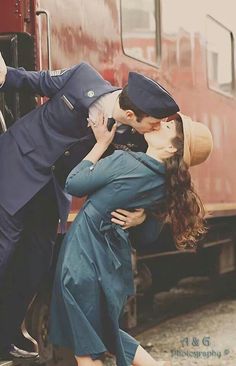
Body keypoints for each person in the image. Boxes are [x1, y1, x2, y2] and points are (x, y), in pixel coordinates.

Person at [0, 53, 180, 360]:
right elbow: (37, 81)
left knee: (37, 261)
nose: (154, 127)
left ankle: (4, 335)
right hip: (18, 164)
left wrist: (144, 215)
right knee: (6, 247)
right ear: (134, 113)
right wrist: (5, 75)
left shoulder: (133, 138)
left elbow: (151, 178)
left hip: (52, 188)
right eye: (152, 121)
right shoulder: (82, 77)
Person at [49, 112, 213, 366]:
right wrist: (144, 217)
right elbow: (146, 237)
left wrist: (101, 144)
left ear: (171, 147)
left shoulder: (126, 162)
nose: (164, 122)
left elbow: (73, 183)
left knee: (87, 349)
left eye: (171, 126)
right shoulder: (164, 186)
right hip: (112, 262)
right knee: (105, 333)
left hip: (83, 254)